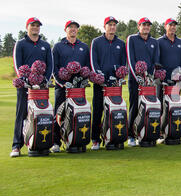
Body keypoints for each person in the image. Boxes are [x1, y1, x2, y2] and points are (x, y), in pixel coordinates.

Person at [11, 17, 53, 157]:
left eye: (37, 26)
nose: (35, 28)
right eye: (32, 25)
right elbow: (18, 65)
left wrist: (44, 80)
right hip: (25, 87)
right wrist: (26, 80)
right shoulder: (21, 43)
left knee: (42, 115)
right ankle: (17, 146)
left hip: (42, 88)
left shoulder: (45, 45)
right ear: (27, 27)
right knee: (22, 114)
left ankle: (41, 143)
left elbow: (50, 65)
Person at [50, 20, 89, 153]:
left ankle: (75, 140)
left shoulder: (83, 46)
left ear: (77, 30)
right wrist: (61, 82)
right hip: (62, 87)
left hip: (78, 88)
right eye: (70, 27)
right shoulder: (58, 46)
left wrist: (83, 80)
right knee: (59, 114)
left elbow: (87, 67)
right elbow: (53, 67)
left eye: (75, 28)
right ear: (65, 30)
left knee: (77, 114)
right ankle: (56, 142)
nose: (73, 29)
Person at [90, 16, 127, 150]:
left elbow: (124, 63)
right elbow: (94, 62)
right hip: (100, 84)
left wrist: (120, 76)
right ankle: (95, 139)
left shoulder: (121, 43)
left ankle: (114, 136)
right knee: (98, 110)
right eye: (109, 25)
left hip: (115, 84)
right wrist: (101, 77)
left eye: (114, 25)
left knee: (115, 110)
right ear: (104, 26)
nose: (112, 27)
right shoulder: (96, 41)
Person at [126, 17, 160, 146]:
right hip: (135, 80)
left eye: (148, 25)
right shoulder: (132, 39)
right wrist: (138, 78)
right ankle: (131, 135)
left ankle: (145, 133)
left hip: (149, 80)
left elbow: (155, 61)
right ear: (138, 26)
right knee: (135, 106)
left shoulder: (154, 42)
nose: (146, 27)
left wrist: (150, 77)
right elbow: (130, 60)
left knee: (149, 107)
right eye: (143, 25)